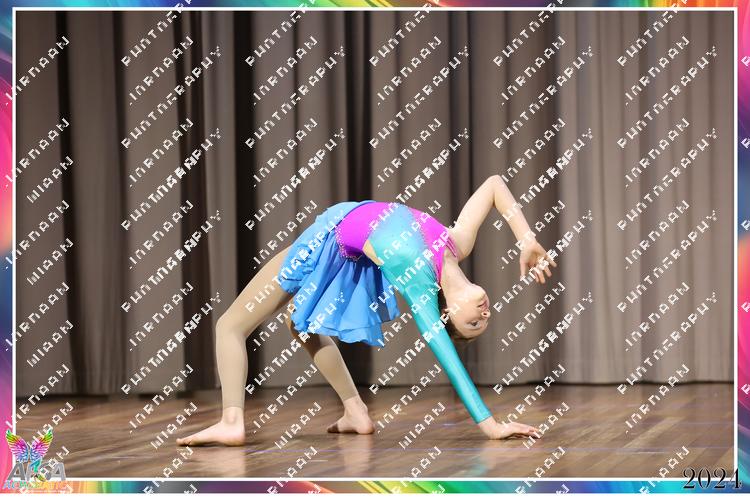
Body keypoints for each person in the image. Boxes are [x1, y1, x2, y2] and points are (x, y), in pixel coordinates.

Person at [177, 174, 556, 446]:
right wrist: (527, 239)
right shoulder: (457, 243)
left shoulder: (419, 283)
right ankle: (355, 412)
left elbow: (449, 361)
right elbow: (494, 185)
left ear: (446, 315)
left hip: (329, 241)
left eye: (473, 324)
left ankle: (231, 421)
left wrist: (490, 426)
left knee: (229, 326)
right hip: (349, 246)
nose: (484, 314)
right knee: (302, 326)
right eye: (484, 320)